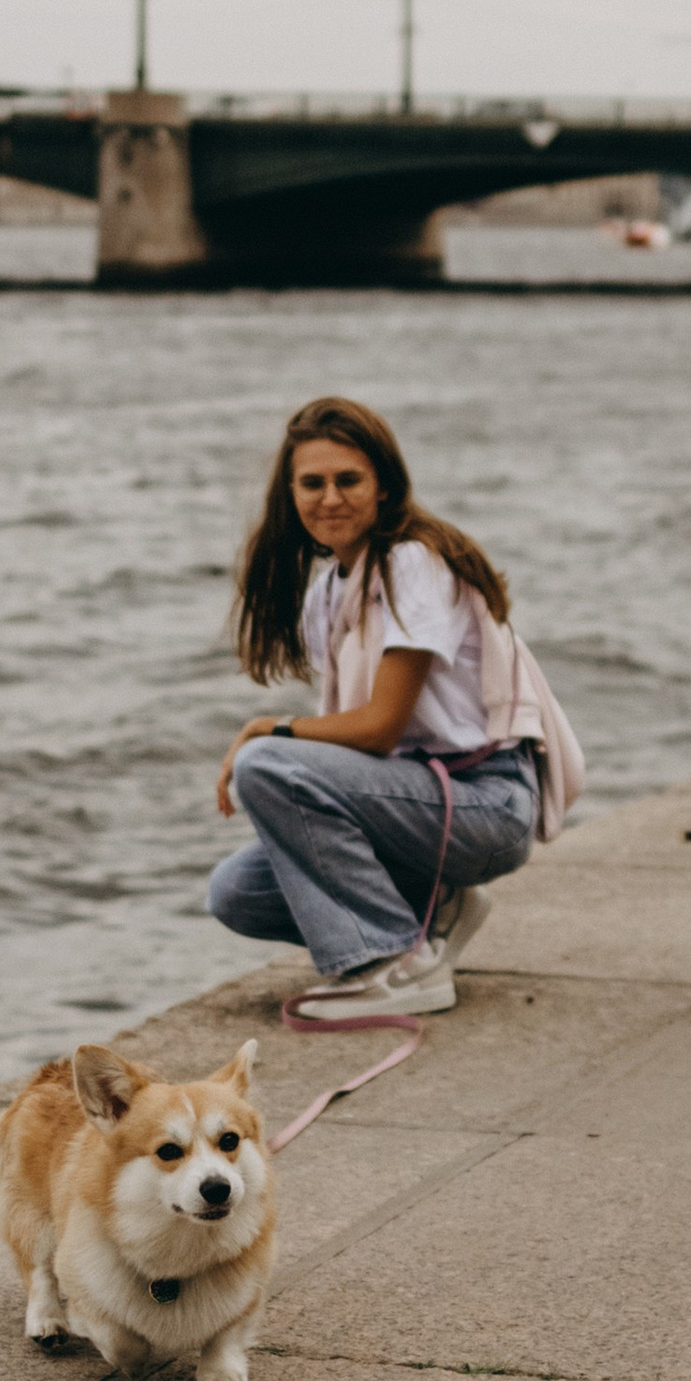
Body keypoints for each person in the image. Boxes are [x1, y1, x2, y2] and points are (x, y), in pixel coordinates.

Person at [209, 395, 541, 1020]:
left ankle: (394, 961)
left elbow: (380, 728)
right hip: (417, 806)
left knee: (265, 763)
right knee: (237, 892)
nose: (329, 498)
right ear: (290, 493)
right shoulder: (329, 589)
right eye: (312, 483)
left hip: (484, 802)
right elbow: (347, 749)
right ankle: (436, 908)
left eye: (348, 480)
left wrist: (264, 728)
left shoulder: (412, 560)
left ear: (384, 487)